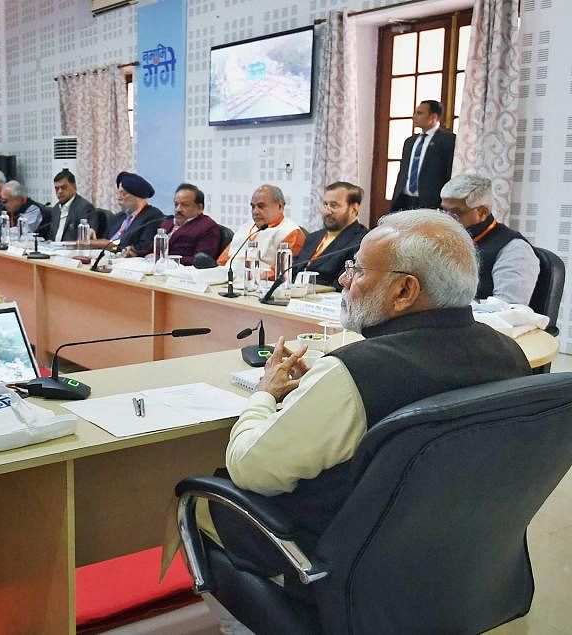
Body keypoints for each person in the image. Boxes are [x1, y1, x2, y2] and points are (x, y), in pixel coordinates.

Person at [202, 210, 530, 631]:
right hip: (459, 560)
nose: (343, 279)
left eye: (356, 269)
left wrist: (266, 393)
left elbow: (250, 470)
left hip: (343, 565)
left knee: (202, 501)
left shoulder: (352, 373)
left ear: (404, 290)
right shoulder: (509, 353)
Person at [439, 174, 539, 305]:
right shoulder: (451, 237)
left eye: (455, 213)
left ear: (482, 212)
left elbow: (508, 307)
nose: (448, 219)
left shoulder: (514, 249)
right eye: (444, 211)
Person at [298, 181, 369, 289]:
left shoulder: (363, 240)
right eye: (325, 204)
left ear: (354, 209)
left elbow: (342, 284)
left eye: (334, 205)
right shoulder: (313, 237)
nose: (327, 211)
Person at [216, 184, 305, 269]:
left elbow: (280, 273)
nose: (255, 212)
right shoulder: (245, 228)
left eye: (261, 206)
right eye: (253, 207)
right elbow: (222, 261)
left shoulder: (290, 232)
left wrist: (247, 278)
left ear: (280, 206)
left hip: (258, 282)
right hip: (228, 280)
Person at [389, 100, 456, 211]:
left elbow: (449, 174)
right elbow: (404, 171)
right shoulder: (410, 141)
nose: (414, 117)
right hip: (405, 200)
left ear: (433, 116)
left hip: (431, 202)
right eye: (415, 113)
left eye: (419, 113)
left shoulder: (448, 141)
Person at [154, 183, 221, 263]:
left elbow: (201, 261)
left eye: (185, 205)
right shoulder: (168, 222)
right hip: (159, 267)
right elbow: (153, 249)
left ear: (200, 208)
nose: (178, 209)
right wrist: (137, 253)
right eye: (176, 204)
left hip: (183, 272)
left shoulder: (208, 227)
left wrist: (168, 259)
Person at [109, 172, 164, 257]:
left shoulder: (153, 217)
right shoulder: (119, 217)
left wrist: (106, 245)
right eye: (118, 193)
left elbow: (142, 247)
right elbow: (107, 239)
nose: (118, 198)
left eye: (123, 193)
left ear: (137, 195)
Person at [45, 169, 103, 242]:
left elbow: (86, 239)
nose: (59, 191)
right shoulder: (56, 208)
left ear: (74, 187)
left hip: (72, 251)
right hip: (53, 251)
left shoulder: (85, 208)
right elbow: (51, 236)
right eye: (56, 188)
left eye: (63, 187)